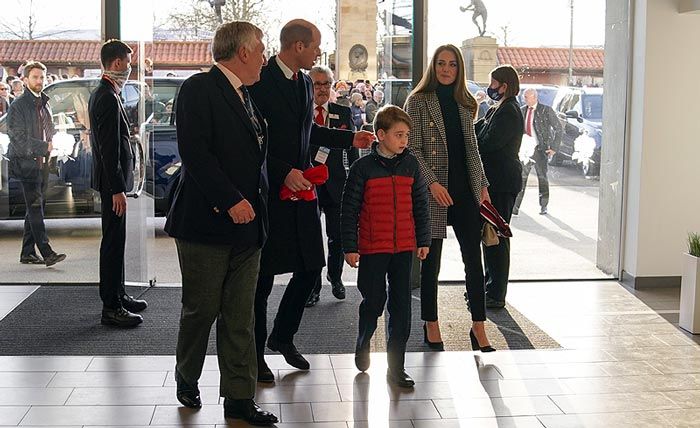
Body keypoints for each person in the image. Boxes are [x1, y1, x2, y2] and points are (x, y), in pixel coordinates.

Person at [164, 21, 278, 425]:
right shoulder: (198, 89)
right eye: (261, 49)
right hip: (206, 223)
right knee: (202, 309)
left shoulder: (247, 95)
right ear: (243, 51)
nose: (265, 57)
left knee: (240, 314)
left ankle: (239, 399)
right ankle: (186, 376)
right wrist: (230, 201)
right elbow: (195, 155)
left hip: (249, 225)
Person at [248, 19, 374, 383]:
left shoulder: (304, 82)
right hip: (269, 192)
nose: (320, 51)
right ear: (298, 46)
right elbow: (252, 140)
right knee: (263, 280)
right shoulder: (261, 79)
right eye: (316, 45)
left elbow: (310, 133)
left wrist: (352, 139)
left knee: (310, 268)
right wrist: (282, 170)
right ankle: (255, 356)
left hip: (302, 189)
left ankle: (282, 337)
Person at [404, 44, 494, 353]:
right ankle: (431, 323)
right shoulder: (417, 101)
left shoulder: (465, 103)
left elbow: (472, 150)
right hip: (435, 194)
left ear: (459, 70)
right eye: (441, 63)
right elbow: (412, 149)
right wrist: (430, 184)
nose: (446, 69)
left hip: (466, 192)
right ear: (433, 66)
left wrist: (482, 186)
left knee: (474, 261)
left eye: (452, 65)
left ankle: (479, 327)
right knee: (432, 266)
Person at [341, 105, 431, 387]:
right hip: (372, 247)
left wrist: (424, 240)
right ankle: (364, 338)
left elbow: (421, 205)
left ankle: (396, 367)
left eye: (407, 135)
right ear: (381, 135)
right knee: (374, 300)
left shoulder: (412, 165)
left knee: (401, 305)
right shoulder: (362, 168)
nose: (405, 140)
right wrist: (350, 246)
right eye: (399, 134)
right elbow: (349, 210)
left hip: (404, 247)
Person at [88, 40, 146, 327]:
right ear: (118, 63)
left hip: (114, 183)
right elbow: (108, 149)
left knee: (116, 240)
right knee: (112, 243)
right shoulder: (106, 97)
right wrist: (117, 190)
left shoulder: (109, 93)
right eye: (129, 62)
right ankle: (111, 307)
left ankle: (118, 294)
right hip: (113, 186)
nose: (130, 68)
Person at [305, 65, 358, 307]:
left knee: (337, 236)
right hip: (308, 184)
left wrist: (358, 179)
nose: (323, 89)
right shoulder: (301, 113)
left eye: (326, 83)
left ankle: (335, 278)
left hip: (337, 184)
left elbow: (352, 148)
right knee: (312, 237)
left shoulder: (342, 113)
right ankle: (312, 286)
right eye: (317, 84)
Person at [6, 61, 66, 268]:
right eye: (35, 77)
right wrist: (45, 146)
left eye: (42, 77)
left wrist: (58, 144)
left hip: (43, 164)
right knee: (35, 208)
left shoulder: (44, 103)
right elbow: (18, 139)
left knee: (36, 207)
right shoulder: (18, 106)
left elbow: (48, 130)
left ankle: (27, 252)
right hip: (26, 164)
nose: (39, 81)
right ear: (24, 80)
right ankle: (47, 252)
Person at [475, 65, 524, 309]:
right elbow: (479, 130)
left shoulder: (509, 111)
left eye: (493, 83)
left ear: (504, 85)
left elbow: (487, 142)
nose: (490, 88)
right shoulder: (499, 108)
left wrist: (475, 135)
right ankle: (489, 287)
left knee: (498, 236)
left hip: (502, 182)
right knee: (490, 236)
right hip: (496, 180)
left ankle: (496, 293)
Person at [513, 88, 562, 216]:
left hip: (541, 149)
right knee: (522, 178)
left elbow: (558, 128)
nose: (525, 99)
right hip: (525, 151)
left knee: (542, 178)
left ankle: (543, 205)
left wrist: (554, 147)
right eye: (524, 97)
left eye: (527, 97)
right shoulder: (522, 110)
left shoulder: (545, 110)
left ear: (534, 97)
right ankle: (516, 207)